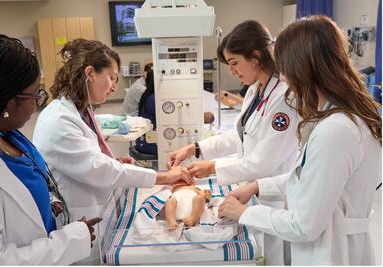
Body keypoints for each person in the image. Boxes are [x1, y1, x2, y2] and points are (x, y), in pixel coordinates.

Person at [218, 15, 382, 265]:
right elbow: (314, 177)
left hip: (331, 254)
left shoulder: (335, 131)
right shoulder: (341, 118)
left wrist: (245, 213)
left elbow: (305, 225)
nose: (283, 78)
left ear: (303, 68)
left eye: (284, 69)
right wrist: (258, 187)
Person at [32, 39, 193, 263]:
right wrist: (163, 176)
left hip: (98, 210)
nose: (114, 86)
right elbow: (98, 169)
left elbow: (88, 160)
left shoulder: (81, 111)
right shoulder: (59, 120)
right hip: (80, 220)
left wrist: (115, 160)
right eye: (111, 77)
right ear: (90, 73)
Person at [167, 20, 300, 265]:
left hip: (272, 197)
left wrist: (212, 167)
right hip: (249, 190)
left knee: (272, 256)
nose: (232, 71)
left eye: (234, 63)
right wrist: (196, 149)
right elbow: (238, 135)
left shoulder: (284, 98)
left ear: (256, 57)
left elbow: (263, 163)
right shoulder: (255, 90)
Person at [0, 34, 101, 265]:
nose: (38, 101)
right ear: (8, 102)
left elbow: (35, 185)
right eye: (36, 94)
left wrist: (55, 206)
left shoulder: (8, 135)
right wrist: (70, 239)